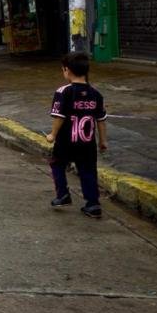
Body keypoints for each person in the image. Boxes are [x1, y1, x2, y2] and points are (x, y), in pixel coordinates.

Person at [45, 52, 108, 219]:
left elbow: (59, 116)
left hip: (66, 141)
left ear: (67, 70)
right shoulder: (96, 94)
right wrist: (103, 141)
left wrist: (52, 134)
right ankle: (93, 204)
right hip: (87, 143)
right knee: (88, 171)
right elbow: (100, 120)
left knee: (57, 164)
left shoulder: (63, 92)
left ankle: (63, 195)